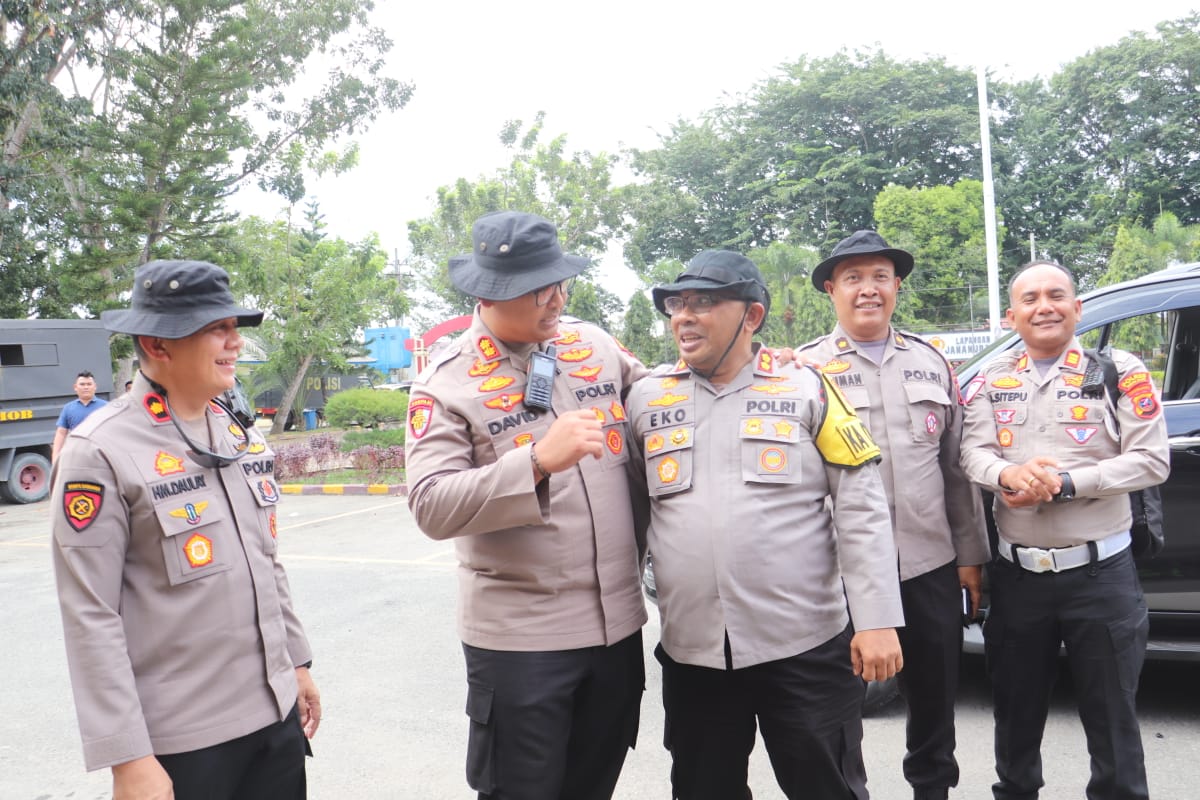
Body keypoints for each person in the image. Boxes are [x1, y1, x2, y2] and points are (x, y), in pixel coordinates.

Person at [627, 249, 905, 800]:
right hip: (694, 653)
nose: (685, 316)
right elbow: (630, 515)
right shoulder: (645, 397)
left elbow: (861, 507)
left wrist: (875, 620)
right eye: (677, 304)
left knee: (827, 789)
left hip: (805, 647)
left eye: (704, 302)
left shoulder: (809, 387)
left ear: (752, 316)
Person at [51, 260, 320, 800]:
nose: (235, 342)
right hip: (183, 742)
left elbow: (266, 562)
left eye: (234, 327)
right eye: (217, 329)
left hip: (274, 720)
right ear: (158, 344)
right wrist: (127, 756)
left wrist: (297, 662)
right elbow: (90, 614)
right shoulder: (100, 451)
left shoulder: (237, 436)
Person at [404, 210, 648, 800]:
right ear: (488, 292)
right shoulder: (447, 383)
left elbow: (662, 398)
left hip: (618, 631)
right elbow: (431, 504)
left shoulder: (591, 344)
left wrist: (755, 368)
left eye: (559, 284)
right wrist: (535, 461)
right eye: (538, 289)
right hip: (523, 646)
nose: (555, 299)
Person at [959, 260, 1169, 800]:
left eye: (1056, 296)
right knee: (1015, 715)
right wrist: (1007, 474)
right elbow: (972, 453)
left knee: (1112, 719)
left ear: (1077, 308)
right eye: (1029, 299)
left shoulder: (1119, 370)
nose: (1044, 307)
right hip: (1018, 579)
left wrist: (1068, 483)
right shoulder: (991, 378)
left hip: (1101, 576)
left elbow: (1151, 460)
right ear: (1011, 317)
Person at [798, 230, 989, 800]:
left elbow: (955, 468)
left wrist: (970, 557)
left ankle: (933, 791)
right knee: (836, 708)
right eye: (853, 278)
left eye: (880, 277)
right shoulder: (804, 369)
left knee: (935, 702)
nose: (868, 289)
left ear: (897, 286)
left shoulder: (931, 362)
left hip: (928, 564)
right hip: (839, 574)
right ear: (831, 290)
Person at [52, 371, 108, 462]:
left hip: (101, 457)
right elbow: (61, 433)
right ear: (75, 387)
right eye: (82, 384)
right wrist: (55, 457)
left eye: (89, 384)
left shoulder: (106, 407)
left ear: (95, 387)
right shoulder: (68, 408)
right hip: (76, 457)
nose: (86, 387)